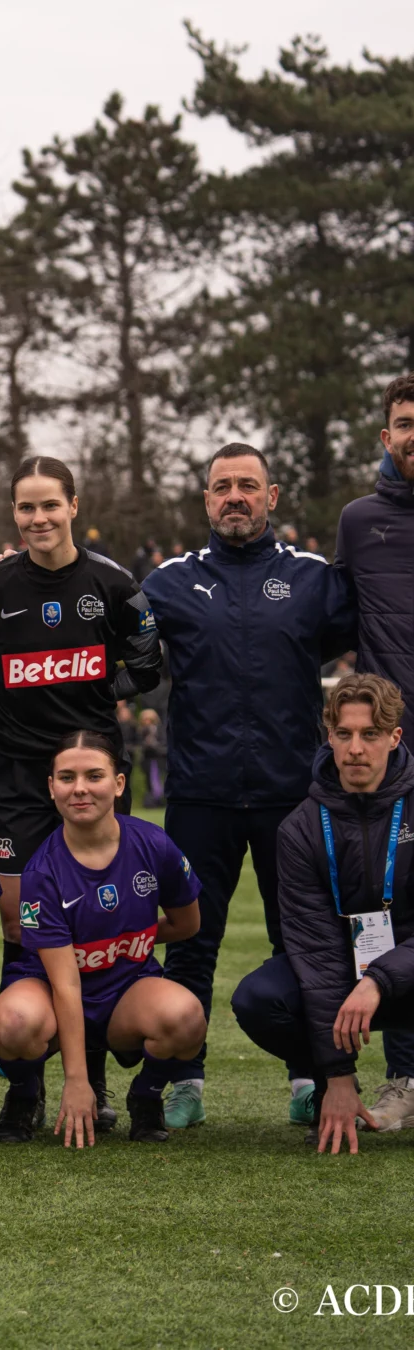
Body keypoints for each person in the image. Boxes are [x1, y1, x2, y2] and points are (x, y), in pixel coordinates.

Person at [142, 442, 353, 1128]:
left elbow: (351, 643)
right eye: (221, 486)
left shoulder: (316, 580)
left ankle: (308, 1077)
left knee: (302, 943)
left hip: (293, 794)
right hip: (200, 794)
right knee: (191, 940)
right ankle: (184, 1079)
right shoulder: (168, 583)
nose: (234, 497)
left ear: (273, 497)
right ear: (205, 499)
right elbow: (128, 656)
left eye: (247, 486)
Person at [0, 455, 162, 1130]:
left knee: (95, 924)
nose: (38, 518)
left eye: (50, 504)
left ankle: (98, 1087)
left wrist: (88, 699)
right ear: (14, 515)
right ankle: (24, 1088)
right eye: (26, 507)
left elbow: (146, 663)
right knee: (22, 923)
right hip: (15, 775)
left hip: (88, 775)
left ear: (74, 506)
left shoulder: (112, 584)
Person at [0, 732, 205, 1146]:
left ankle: (145, 1096)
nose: (81, 788)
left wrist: (121, 939)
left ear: (119, 784)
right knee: (15, 1021)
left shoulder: (153, 843)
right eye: (67, 777)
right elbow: (67, 984)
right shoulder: (42, 871)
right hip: (54, 993)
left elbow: (186, 925)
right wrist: (77, 1081)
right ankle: (24, 1093)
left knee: (186, 1017)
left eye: (94, 775)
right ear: (51, 787)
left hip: (124, 991)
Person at [232, 675, 414, 1153]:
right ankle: (332, 1092)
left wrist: (378, 979)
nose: (356, 749)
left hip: (402, 974)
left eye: (370, 734)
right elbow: (313, 949)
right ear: (328, 736)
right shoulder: (300, 828)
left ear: (394, 738)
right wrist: (337, 1074)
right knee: (260, 997)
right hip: (340, 981)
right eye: (345, 734)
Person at [334, 373, 414, 1129]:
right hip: (396, 757)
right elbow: (332, 618)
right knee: (392, 913)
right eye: (405, 420)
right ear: (386, 435)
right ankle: (405, 1078)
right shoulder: (360, 521)